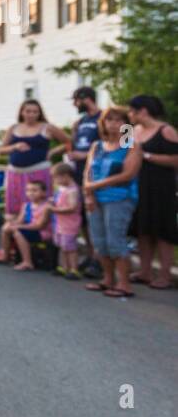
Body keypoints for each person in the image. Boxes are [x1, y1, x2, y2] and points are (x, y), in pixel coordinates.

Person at [82, 106, 143, 298]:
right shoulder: (97, 146)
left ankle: (124, 284)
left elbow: (128, 174)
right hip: (95, 198)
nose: (114, 124)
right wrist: (89, 194)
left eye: (118, 120)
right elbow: (89, 172)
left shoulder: (130, 145)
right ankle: (107, 279)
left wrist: (96, 185)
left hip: (119, 198)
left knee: (115, 240)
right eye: (110, 120)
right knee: (99, 241)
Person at [126, 95, 178, 290]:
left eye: (131, 111)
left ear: (143, 111)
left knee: (164, 231)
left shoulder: (166, 130)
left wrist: (146, 155)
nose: (128, 115)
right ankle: (145, 271)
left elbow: (175, 160)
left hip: (161, 187)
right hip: (137, 186)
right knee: (142, 229)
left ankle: (165, 275)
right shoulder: (130, 130)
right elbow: (122, 154)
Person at [0, 99, 70, 217]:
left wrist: (53, 152)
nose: (31, 114)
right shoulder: (13, 128)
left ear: (39, 113)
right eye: (28, 111)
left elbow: (68, 142)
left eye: (35, 112)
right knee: (15, 208)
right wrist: (15, 147)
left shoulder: (47, 128)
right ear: (22, 112)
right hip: (15, 174)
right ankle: (15, 233)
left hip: (38, 173)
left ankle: (42, 233)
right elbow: (0, 150)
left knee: (39, 208)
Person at [66, 86, 103, 274]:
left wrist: (86, 155)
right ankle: (90, 256)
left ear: (85, 98)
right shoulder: (80, 122)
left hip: (100, 175)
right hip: (79, 173)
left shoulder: (108, 118)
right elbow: (72, 143)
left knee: (95, 216)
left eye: (76, 100)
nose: (74, 105)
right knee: (83, 219)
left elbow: (125, 146)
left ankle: (100, 260)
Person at [0, 179, 52, 270]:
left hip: (42, 232)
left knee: (18, 232)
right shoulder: (26, 206)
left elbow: (40, 226)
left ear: (43, 193)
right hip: (28, 229)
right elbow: (19, 221)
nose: (31, 193)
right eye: (28, 190)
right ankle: (5, 255)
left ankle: (27, 262)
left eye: (34, 190)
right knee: (6, 228)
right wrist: (11, 223)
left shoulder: (46, 207)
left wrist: (18, 227)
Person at [49, 162, 83, 279]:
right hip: (59, 223)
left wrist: (54, 209)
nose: (55, 180)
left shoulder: (72, 190)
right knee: (62, 246)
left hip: (69, 223)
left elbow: (72, 207)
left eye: (56, 177)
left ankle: (74, 269)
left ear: (66, 175)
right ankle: (64, 267)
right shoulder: (62, 188)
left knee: (70, 247)